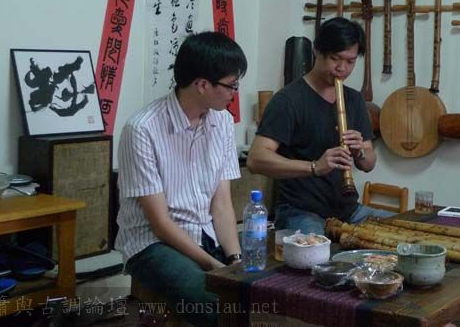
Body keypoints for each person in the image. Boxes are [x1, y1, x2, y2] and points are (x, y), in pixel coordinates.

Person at [115, 31, 247, 327]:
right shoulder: (142, 129)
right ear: (202, 84)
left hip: (206, 233)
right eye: (231, 85)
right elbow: (160, 224)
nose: (234, 93)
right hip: (153, 244)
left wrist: (234, 259)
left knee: (260, 292)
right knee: (220, 308)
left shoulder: (223, 122)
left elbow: (222, 203)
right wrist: (215, 267)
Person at [247, 17, 394, 234]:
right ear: (317, 51)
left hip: (348, 210)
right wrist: (315, 167)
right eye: (335, 58)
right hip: (300, 211)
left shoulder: (354, 100)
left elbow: (369, 163)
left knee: (406, 231)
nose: (342, 68)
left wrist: (359, 152)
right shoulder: (288, 100)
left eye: (350, 61)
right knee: (316, 250)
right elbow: (255, 159)